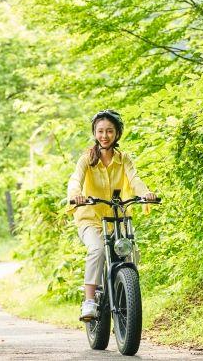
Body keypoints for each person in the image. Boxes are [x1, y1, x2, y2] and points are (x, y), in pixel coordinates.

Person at [67, 109, 156, 321]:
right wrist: (76, 195)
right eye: (100, 131)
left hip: (117, 217)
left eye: (109, 131)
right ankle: (89, 300)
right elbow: (75, 179)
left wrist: (146, 194)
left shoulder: (124, 159)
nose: (104, 135)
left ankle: (125, 290)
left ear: (117, 134)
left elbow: (134, 179)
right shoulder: (87, 159)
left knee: (129, 250)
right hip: (91, 218)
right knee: (97, 249)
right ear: (94, 133)